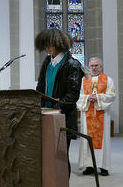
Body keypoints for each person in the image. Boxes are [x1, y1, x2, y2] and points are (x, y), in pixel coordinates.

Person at [35, 28, 84, 177]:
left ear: (59, 44)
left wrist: (56, 109)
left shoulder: (72, 64)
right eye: (45, 45)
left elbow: (72, 95)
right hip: (45, 116)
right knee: (46, 156)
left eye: (50, 44)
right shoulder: (47, 62)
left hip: (62, 117)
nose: (47, 48)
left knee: (61, 158)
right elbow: (40, 88)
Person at [77, 57, 116, 176]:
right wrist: (87, 98)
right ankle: (89, 166)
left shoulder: (108, 80)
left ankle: (103, 166)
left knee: (103, 140)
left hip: (101, 114)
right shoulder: (84, 80)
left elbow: (112, 95)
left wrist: (98, 97)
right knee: (86, 140)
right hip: (87, 112)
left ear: (101, 67)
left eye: (96, 65)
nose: (94, 68)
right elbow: (79, 96)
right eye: (92, 65)